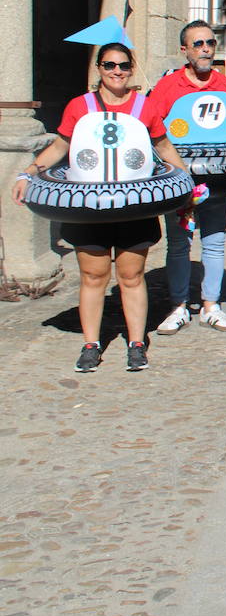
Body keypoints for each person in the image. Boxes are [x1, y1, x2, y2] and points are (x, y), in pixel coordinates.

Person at [13, 43, 191, 373]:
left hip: (134, 207)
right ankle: (91, 344)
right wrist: (29, 172)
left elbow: (164, 146)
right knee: (93, 277)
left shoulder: (144, 107)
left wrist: (186, 184)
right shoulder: (80, 106)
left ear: (131, 67)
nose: (117, 72)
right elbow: (61, 146)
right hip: (89, 207)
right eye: (109, 65)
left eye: (123, 65)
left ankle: (137, 344)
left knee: (131, 275)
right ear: (99, 68)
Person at [149, 21, 226, 335]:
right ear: (185, 50)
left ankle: (210, 306)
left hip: (217, 184)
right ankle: (178, 307)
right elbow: (152, 131)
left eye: (210, 43)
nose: (205, 49)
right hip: (179, 185)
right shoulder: (167, 88)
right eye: (198, 44)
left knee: (215, 244)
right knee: (179, 245)